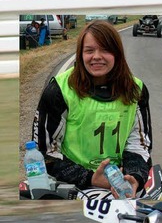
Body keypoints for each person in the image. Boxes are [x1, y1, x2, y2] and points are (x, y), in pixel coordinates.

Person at [32, 19, 152, 199]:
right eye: (89, 50)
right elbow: (45, 153)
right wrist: (90, 178)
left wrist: (134, 177)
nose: (96, 56)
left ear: (117, 54)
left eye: (105, 49)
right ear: (80, 54)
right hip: (75, 183)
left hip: (120, 180)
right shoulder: (58, 91)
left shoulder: (136, 90)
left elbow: (139, 145)